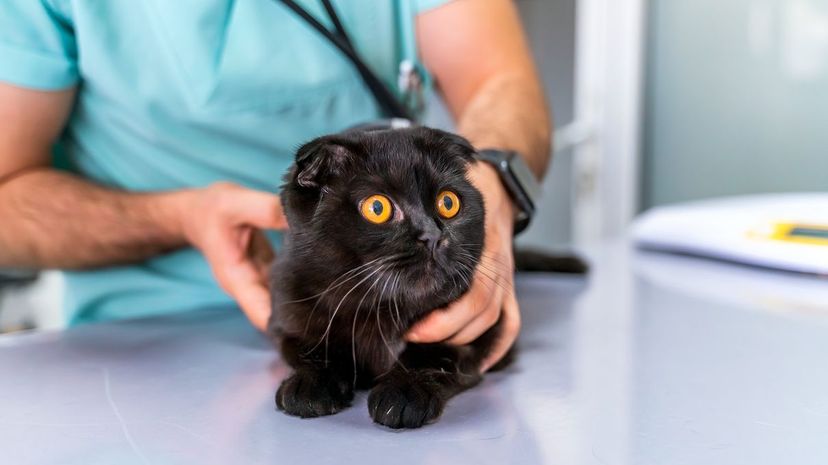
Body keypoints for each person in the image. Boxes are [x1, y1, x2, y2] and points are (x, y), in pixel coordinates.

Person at [0, 0, 551, 371]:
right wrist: (176, 218)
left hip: (408, 321)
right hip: (142, 345)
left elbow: (500, 81)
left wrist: (493, 185)